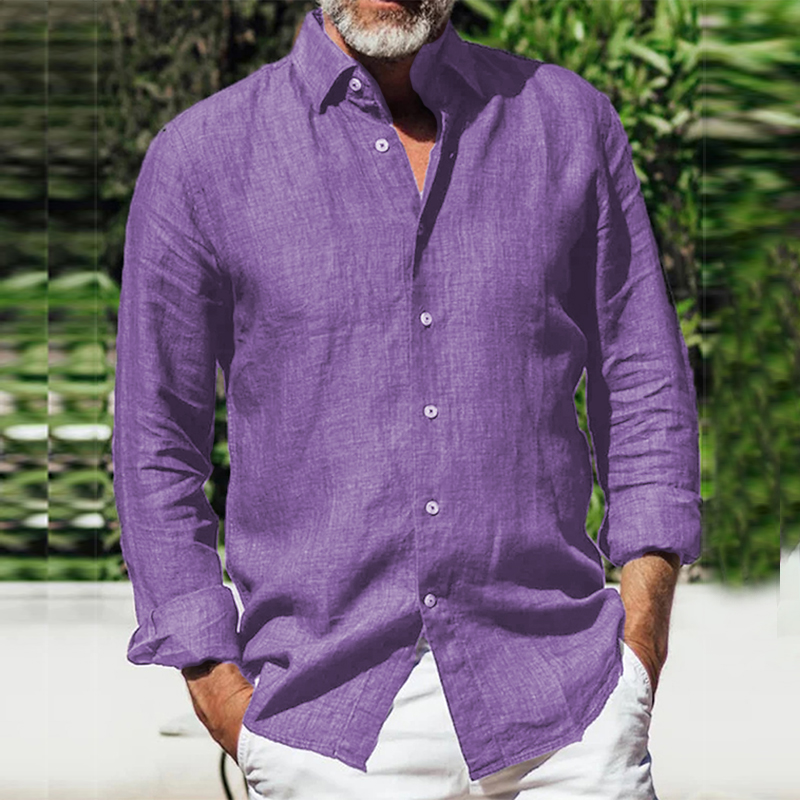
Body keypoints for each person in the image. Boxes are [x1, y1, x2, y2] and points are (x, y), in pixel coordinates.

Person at [112, 0, 702, 797]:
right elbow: (154, 444)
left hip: (570, 709)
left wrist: (641, 644)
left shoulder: (568, 123)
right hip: (325, 729)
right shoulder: (201, 158)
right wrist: (222, 691)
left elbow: (643, 382)